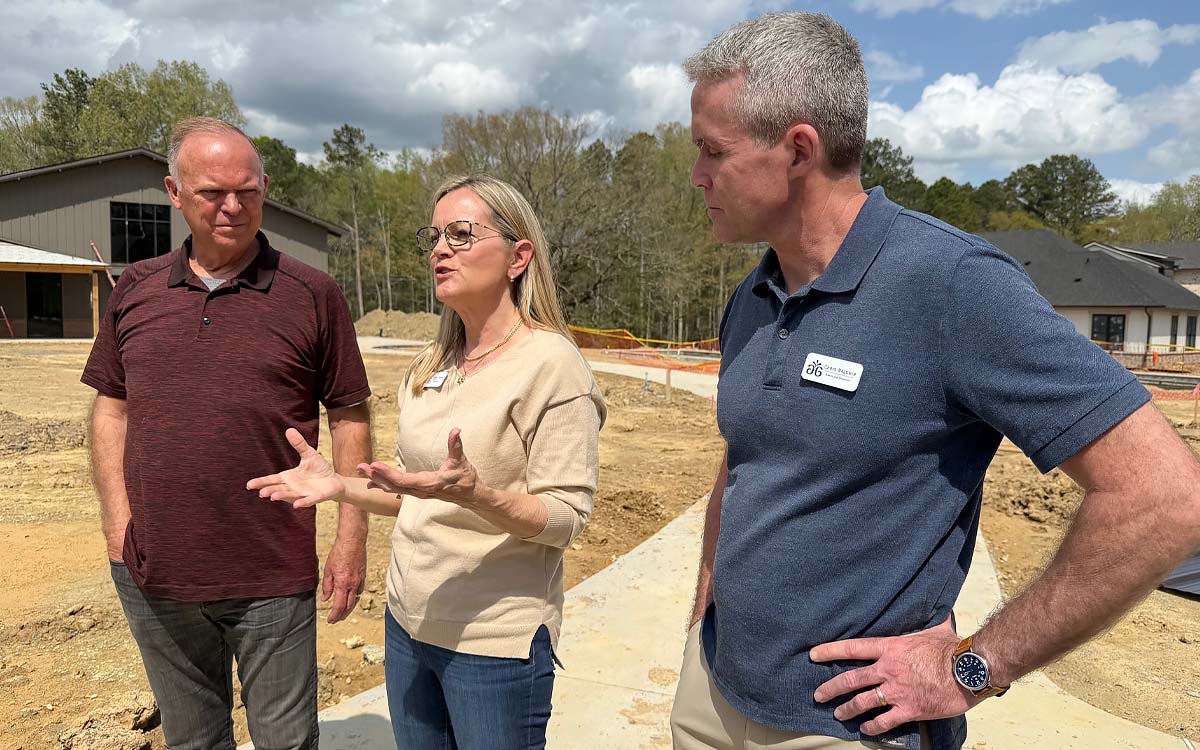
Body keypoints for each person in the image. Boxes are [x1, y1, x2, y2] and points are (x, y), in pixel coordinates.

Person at [670, 12, 1200, 750]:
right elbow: (747, 459)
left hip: (849, 729)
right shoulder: (753, 296)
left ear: (797, 150)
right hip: (713, 697)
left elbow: (1165, 497)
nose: (696, 175)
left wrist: (973, 668)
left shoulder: (951, 285)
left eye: (711, 152)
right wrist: (707, 611)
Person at [248, 174, 605, 750]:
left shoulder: (552, 365)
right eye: (434, 236)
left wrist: (478, 495)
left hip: (493, 642)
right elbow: (409, 490)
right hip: (408, 624)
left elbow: (567, 518)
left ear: (519, 257)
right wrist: (338, 483)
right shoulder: (429, 365)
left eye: (461, 234)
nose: (440, 249)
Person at [83, 117, 372, 750]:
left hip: (272, 573)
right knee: (192, 741)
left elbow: (349, 415)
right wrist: (116, 519)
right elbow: (111, 408)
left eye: (249, 190)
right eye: (214, 192)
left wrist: (351, 539)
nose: (234, 207)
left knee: (287, 742)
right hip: (154, 572)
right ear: (175, 191)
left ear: (265, 187)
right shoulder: (135, 289)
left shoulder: (312, 294)